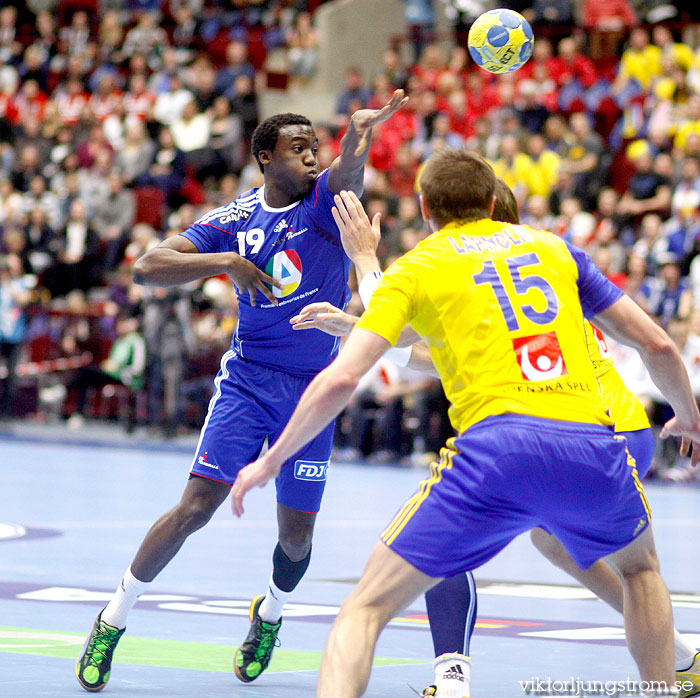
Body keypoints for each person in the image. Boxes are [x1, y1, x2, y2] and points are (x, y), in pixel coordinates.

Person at [232, 151, 700, 698]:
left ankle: (452, 674)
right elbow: (655, 342)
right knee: (595, 553)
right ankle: (675, 666)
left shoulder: (431, 264)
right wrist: (688, 416)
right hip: (603, 438)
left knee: (369, 604)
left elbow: (381, 348)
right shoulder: (551, 255)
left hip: (522, 440)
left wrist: (363, 260)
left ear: (426, 207)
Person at [74, 91, 409, 692]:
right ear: (264, 157)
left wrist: (357, 135)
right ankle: (113, 617)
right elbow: (147, 267)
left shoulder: (325, 205)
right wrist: (226, 261)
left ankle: (270, 616)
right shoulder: (236, 220)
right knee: (194, 510)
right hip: (249, 382)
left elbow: (349, 170)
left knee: (296, 536)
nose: (311, 157)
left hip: (314, 392)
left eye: (315, 147)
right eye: (298, 148)